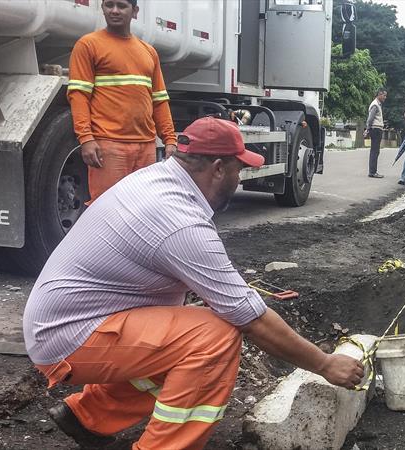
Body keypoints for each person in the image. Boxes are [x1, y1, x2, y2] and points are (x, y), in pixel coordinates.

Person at [22, 116, 364, 449]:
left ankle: (87, 417)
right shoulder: (179, 221)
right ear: (217, 168)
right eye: (237, 169)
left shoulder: (156, 180)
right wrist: (325, 364)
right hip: (68, 337)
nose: (239, 177)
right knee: (214, 337)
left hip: (65, 322)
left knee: (188, 331)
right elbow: (252, 319)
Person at [67, 0, 178, 204]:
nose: (115, 11)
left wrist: (169, 139)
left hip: (145, 146)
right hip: (108, 144)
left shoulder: (148, 52)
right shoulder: (88, 45)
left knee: (141, 207)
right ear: (102, 8)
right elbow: (79, 95)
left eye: (121, 6)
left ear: (134, 11)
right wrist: (86, 139)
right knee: (107, 209)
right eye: (109, 5)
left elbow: (159, 100)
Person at [364, 88, 387, 178]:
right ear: (379, 94)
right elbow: (370, 119)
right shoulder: (375, 105)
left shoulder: (378, 104)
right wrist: (368, 129)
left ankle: (373, 171)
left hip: (376, 129)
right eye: (384, 95)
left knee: (375, 151)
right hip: (376, 129)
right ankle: (372, 172)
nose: (385, 97)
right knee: (375, 151)